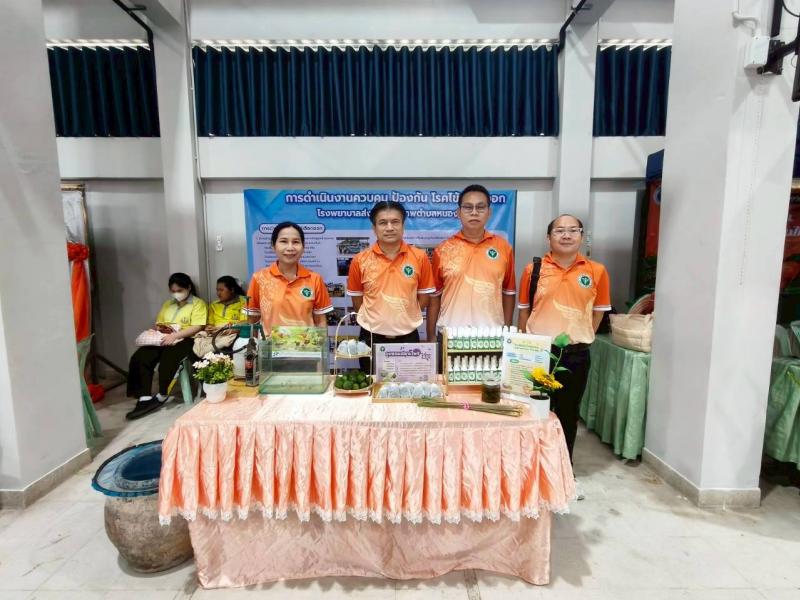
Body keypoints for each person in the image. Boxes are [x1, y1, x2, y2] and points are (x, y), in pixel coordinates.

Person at [517, 214, 611, 471]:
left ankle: (562, 469)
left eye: (573, 230)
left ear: (582, 236)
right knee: (534, 412)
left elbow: (599, 312)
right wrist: (525, 347)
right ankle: (532, 468)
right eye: (559, 231)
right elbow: (524, 311)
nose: (566, 235)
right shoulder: (533, 270)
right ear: (548, 237)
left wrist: (581, 337)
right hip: (539, 354)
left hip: (576, 356)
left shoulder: (596, 271)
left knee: (569, 414)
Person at [347, 201, 435, 371]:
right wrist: (378, 320)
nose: (389, 228)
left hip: (408, 337)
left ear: (403, 226)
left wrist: (404, 315)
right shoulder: (360, 260)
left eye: (395, 222)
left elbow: (424, 298)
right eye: (383, 223)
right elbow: (357, 301)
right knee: (371, 384)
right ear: (374, 228)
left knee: (408, 384)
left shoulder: (419, 257)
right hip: (371, 337)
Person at [426, 184, 516, 343]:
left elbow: (508, 293)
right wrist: (431, 335)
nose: (474, 212)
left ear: (489, 212)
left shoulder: (504, 248)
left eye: (480, 207)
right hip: (450, 334)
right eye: (468, 207)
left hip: (492, 335)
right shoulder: (443, 250)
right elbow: (434, 298)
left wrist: (507, 331)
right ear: (458, 212)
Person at [126, 272, 208, 420]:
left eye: (179, 290)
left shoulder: (198, 304)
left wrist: (176, 336)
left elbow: (198, 326)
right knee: (141, 356)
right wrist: (161, 329)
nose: (176, 294)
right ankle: (143, 396)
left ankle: (162, 394)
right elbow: (159, 322)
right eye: (173, 291)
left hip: (185, 339)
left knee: (168, 359)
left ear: (188, 287)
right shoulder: (168, 304)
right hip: (164, 337)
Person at [245, 222, 333, 329]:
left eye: (296, 242)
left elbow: (320, 321)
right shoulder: (259, 278)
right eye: (283, 241)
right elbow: (252, 320)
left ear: (303, 246)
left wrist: (322, 339)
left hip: (305, 340)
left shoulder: (315, 279)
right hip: (270, 340)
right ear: (273, 245)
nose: (290, 247)